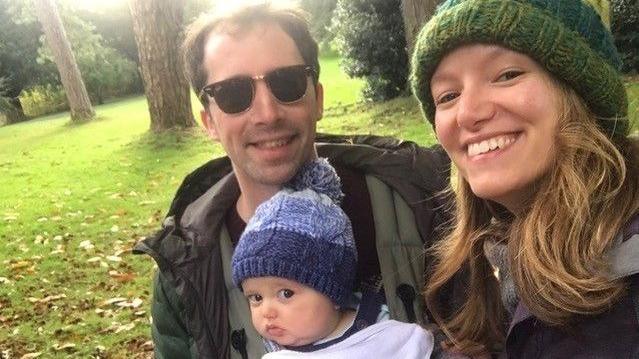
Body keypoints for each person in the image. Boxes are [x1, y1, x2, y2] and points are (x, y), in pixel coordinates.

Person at [133, 1, 454, 358]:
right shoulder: (187, 272)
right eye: (233, 94)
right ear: (208, 120)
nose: (267, 114)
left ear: (316, 97)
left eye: (286, 83)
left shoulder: (426, 202)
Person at [410, 0, 639, 357]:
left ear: (580, 93)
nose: (468, 113)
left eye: (507, 75)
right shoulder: (489, 258)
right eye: (448, 96)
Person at [231, 158, 434, 358]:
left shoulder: (385, 334)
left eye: (286, 293)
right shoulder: (276, 352)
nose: (267, 312)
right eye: (256, 298)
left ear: (333, 292)